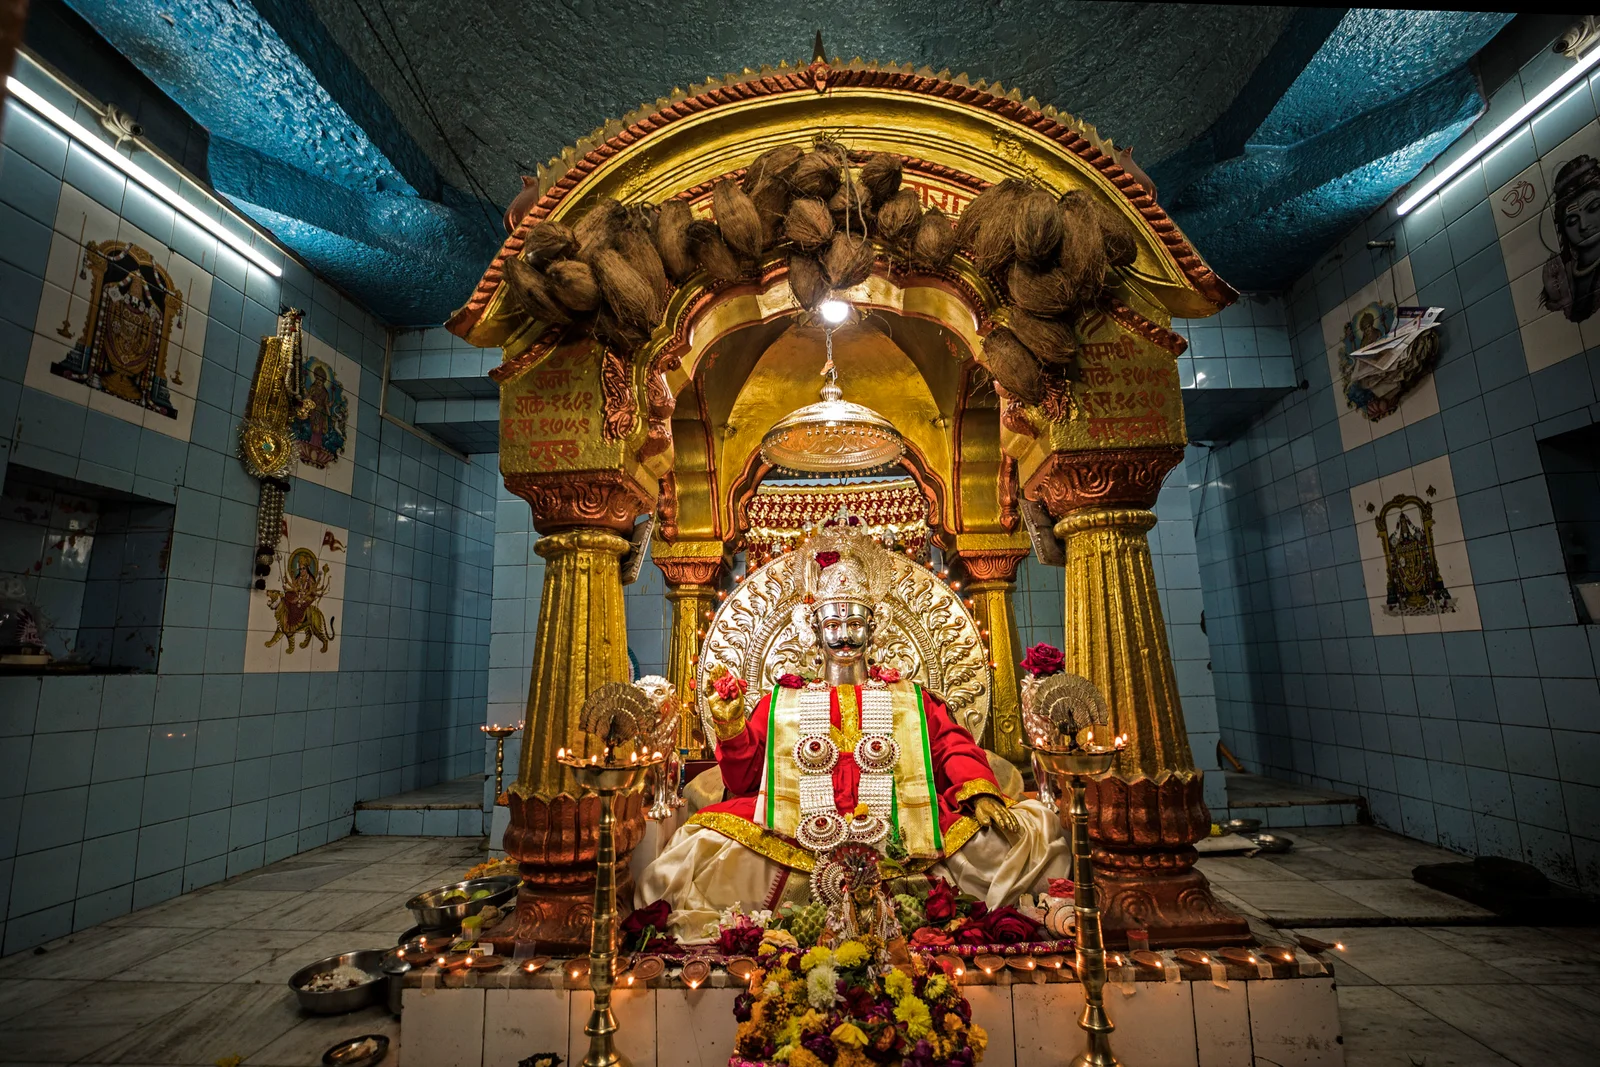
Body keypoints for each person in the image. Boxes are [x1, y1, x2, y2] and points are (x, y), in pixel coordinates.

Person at [637, 524, 1068, 935]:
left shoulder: (911, 696)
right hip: (793, 837)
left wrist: (981, 790)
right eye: (833, 626)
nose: (845, 637)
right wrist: (729, 722)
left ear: (873, 628)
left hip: (908, 832)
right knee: (688, 854)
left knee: (1037, 831)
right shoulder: (780, 701)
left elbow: (952, 745)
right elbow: (744, 779)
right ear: (816, 632)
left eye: (855, 625)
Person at [1542, 154, 1600, 323]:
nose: (1583, 225)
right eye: (1572, 220)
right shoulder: (1562, 272)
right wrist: (1558, 296)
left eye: (1594, 208)